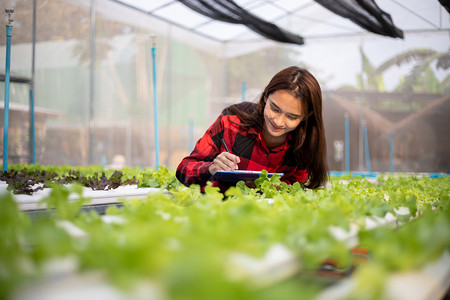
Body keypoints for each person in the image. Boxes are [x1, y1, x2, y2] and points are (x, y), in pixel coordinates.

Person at [176, 66, 328, 192]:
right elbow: (183, 170)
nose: (279, 122)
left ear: (305, 117)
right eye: (274, 108)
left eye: (292, 117)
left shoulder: (304, 142)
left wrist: (278, 188)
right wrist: (211, 168)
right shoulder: (233, 120)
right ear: (266, 96)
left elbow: (297, 188)